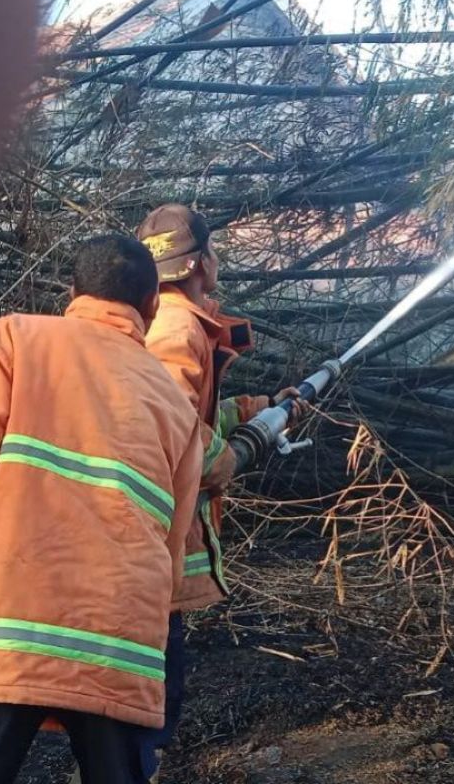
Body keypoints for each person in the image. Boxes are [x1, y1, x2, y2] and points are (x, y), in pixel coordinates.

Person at [0, 235, 204, 784]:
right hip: (122, 653)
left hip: (0, 638)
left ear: (71, 292)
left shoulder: (11, 341)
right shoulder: (177, 406)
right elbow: (172, 554)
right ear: (152, 306)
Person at [133, 204, 307, 780]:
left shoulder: (158, 317)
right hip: (154, 546)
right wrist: (232, 455)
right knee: (152, 694)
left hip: (139, 542)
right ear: (204, 260)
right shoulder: (179, 328)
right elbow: (173, 435)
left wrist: (257, 412)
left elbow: (181, 412)